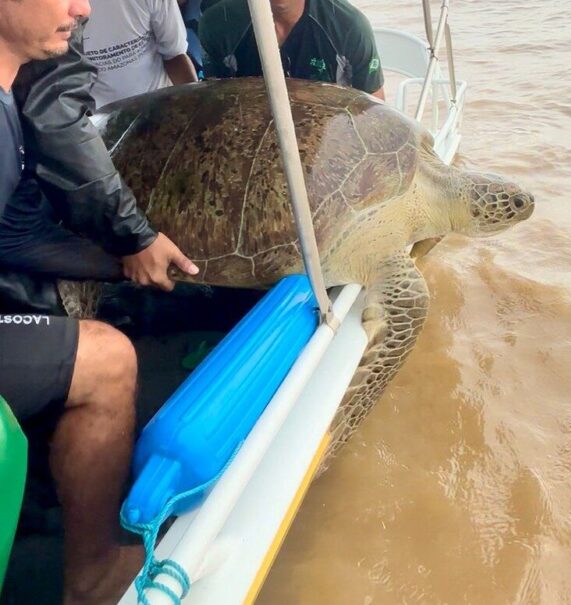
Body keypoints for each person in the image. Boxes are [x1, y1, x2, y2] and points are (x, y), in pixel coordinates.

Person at [0, 1, 199, 602]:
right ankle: (89, 573)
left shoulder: (11, 95)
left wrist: (122, 259)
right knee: (108, 359)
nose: (82, 8)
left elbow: (15, 234)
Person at [198, 0, 385, 99]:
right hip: (250, 141)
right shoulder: (218, 25)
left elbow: (373, 109)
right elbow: (216, 105)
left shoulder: (348, 26)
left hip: (328, 143)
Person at [83, 0, 198, 108]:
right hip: (101, 117)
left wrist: (197, 103)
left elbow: (175, 55)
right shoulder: (66, 9)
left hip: (161, 105)